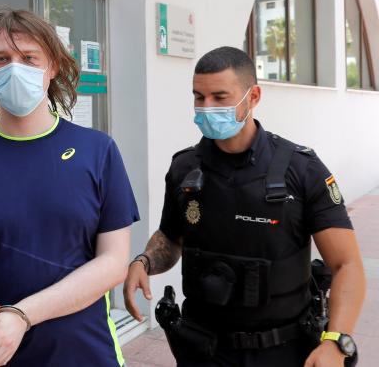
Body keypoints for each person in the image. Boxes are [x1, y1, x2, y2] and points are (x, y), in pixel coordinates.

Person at [0, 7, 140, 367]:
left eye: (29, 57)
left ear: (52, 67)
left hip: (84, 352)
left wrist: (22, 315)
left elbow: (114, 262)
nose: (14, 68)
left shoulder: (97, 151)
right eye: (2, 59)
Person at [123, 46, 366, 366]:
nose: (207, 107)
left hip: (282, 350)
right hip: (202, 349)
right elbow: (171, 237)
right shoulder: (185, 168)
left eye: (220, 97)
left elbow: (346, 264)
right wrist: (143, 262)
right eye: (199, 96)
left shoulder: (301, 169)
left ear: (253, 97)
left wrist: (335, 342)